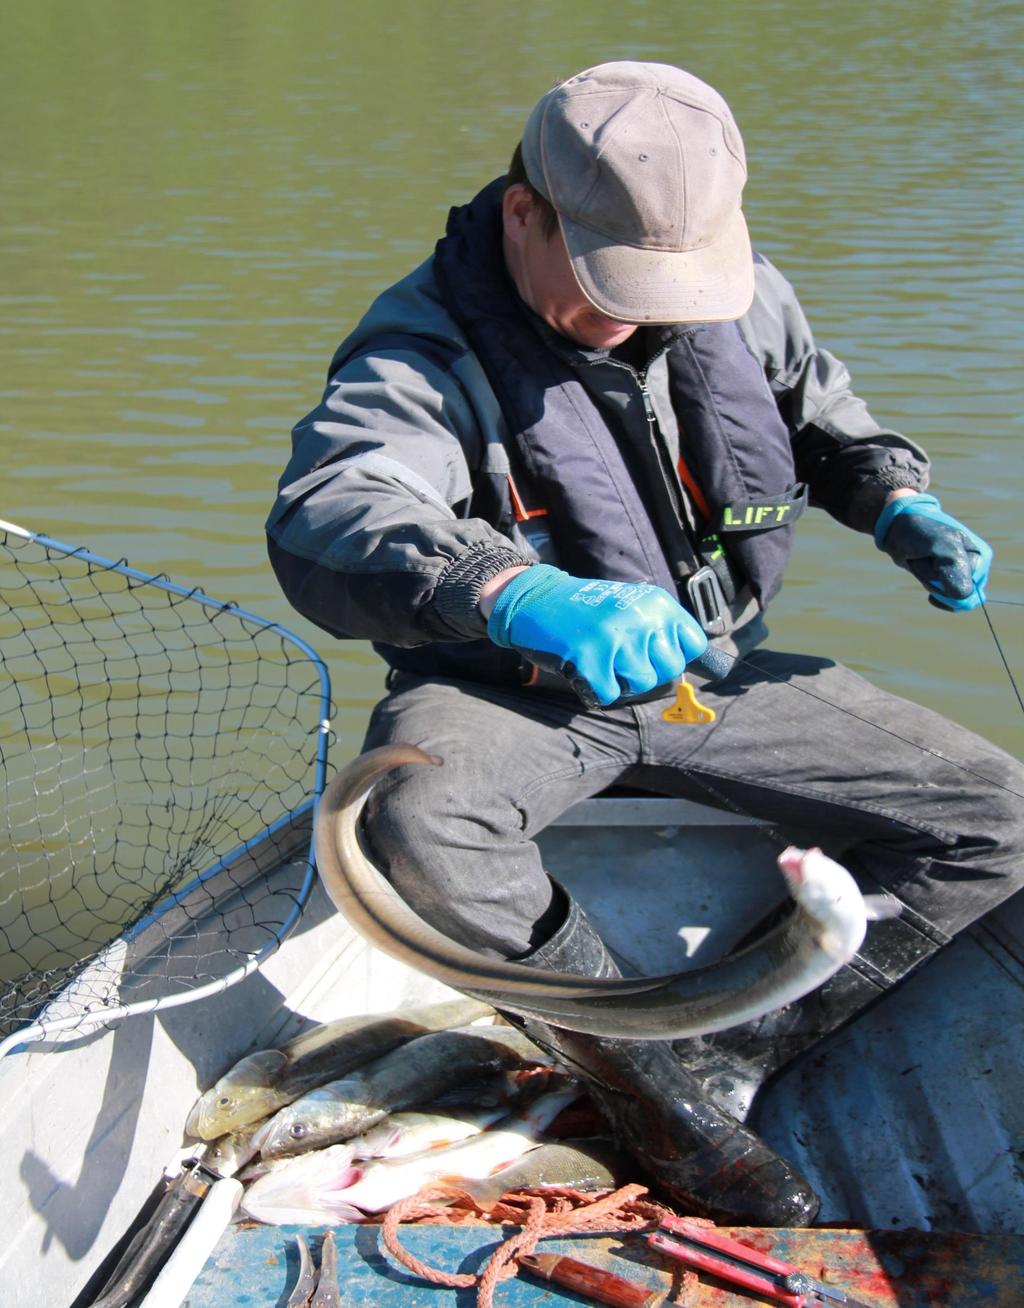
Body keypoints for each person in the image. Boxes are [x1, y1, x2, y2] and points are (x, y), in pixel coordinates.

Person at [266, 61, 1023, 1224]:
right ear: (525, 214)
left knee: (996, 818)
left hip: (705, 675)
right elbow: (336, 504)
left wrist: (893, 500)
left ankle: (739, 1046)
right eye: (612, 279)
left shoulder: (745, 296)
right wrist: (509, 588)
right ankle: (653, 1097)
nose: (644, 309)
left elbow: (823, 420)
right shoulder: (418, 350)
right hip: (511, 685)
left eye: (672, 281)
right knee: (409, 824)